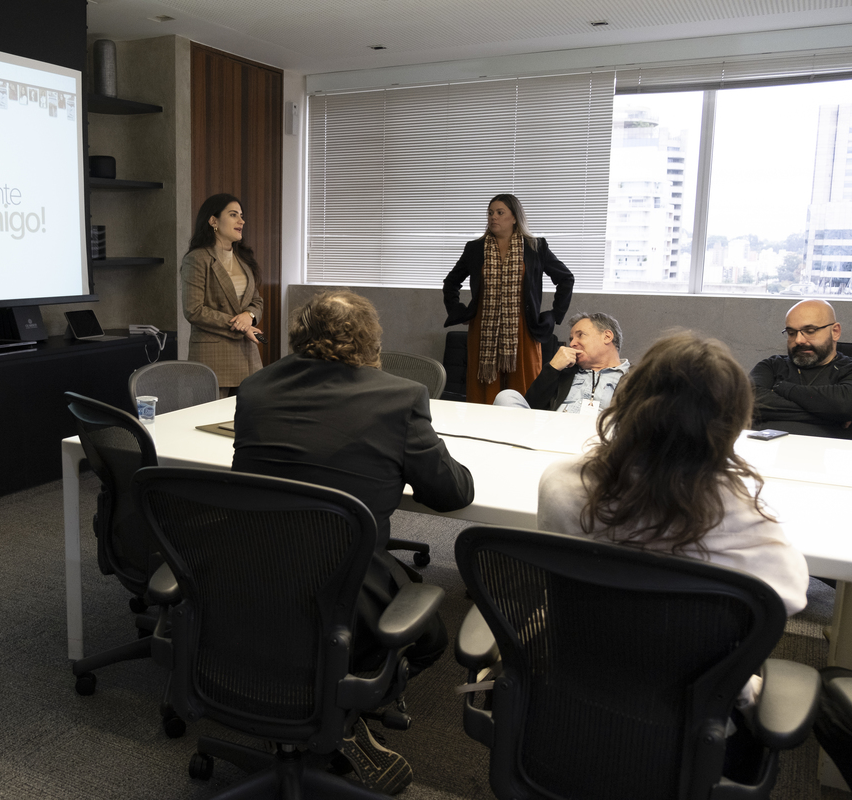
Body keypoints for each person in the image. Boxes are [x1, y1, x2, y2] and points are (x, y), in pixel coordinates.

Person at [233, 290, 475, 795]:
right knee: (430, 636)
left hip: (247, 578)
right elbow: (452, 494)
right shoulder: (400, 397)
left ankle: (300, 702)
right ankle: (344, 717)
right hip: (346, 588)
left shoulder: (255, 388)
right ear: (370, 340)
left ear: (300, 335)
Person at [538, 332, 809, 777]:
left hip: (574, 693)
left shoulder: (561, 483)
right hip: (691, 728)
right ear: (729, 423)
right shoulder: (742, 520)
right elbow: (791, 596)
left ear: (627, 401)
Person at [443, 194, 574, 404]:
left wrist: (554, 315)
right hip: (483, 330)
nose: (493, 217)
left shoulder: (535, 247)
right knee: (484, 390)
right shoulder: (475, 249)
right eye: (490, 213)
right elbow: (451, 283)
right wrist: (460, 312)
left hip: (523, 330)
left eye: (499, 212)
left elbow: (565, 279)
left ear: (514, 217)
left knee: (525, 388)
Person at [180, 194, 264, 396]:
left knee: (247, 414)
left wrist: (249, 316)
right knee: (213, 416)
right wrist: (241, 325)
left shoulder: (244, 259)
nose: (241, 221)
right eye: (233, 215)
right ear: (213, 221)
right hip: (213, 358)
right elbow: (194, 310)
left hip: (248, 358)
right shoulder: (197, 259)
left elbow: (256, 300)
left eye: (241, 216)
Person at [750, 299, 852, 439]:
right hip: (766, 448)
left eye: (810, 331)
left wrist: (783, 388)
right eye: (791, 333)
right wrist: (831, 416)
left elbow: (845, 405)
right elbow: (749, 401)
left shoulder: (848, 369)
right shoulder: (772, 366)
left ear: (835, 331)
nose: (799, 340)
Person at [494, 312, 630, 413]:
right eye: (571, 339)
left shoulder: (634, 377)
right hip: (553, 431)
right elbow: (531, 407)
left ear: (607, 336)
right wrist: (553, 368)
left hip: (600, 435)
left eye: (580, 335)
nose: (572, 344)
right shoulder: (565, 373)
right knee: (506, 397)